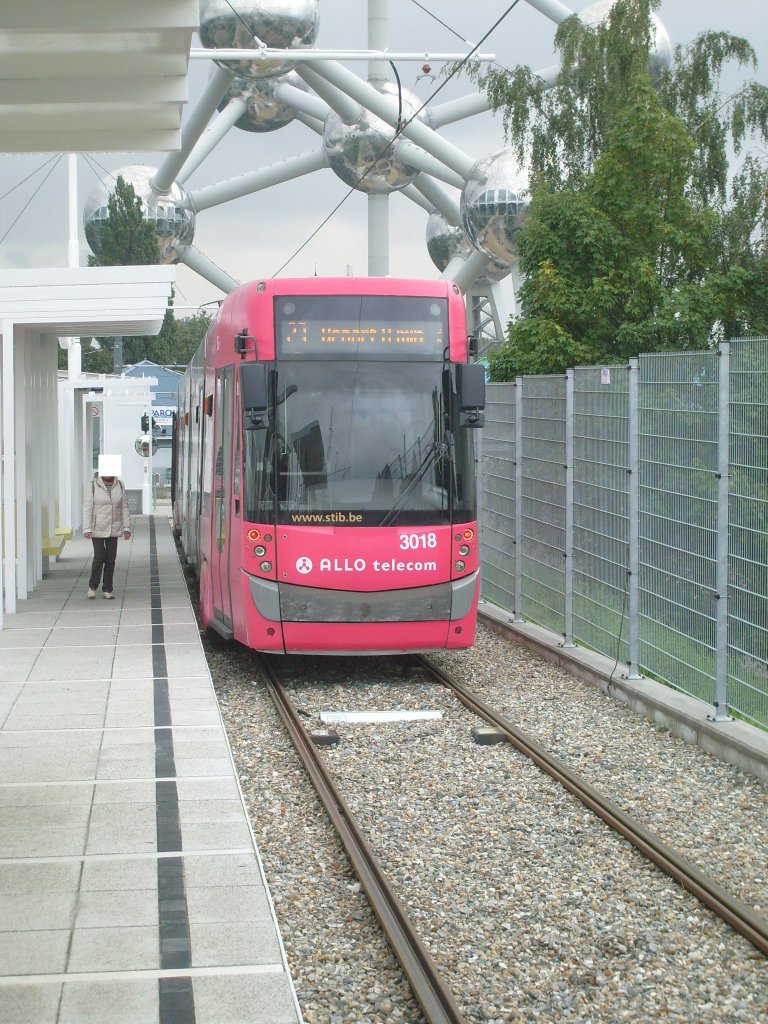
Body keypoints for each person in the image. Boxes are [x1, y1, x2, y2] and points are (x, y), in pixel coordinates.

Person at [82, 456, 131, 599]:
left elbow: (124, 507)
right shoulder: (93, 485)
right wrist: (87, 528)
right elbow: (87, 508)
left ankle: (107, 589)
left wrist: (127, 528)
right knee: (99, 556)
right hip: (97, 527)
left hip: (114, 527)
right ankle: (92, 587)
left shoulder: (120, 485)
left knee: (111, 558)